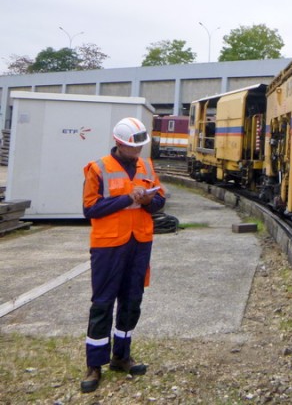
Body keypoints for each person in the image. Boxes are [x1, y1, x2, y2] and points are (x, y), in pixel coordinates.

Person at [79, 117, 166, 393]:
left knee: (132, 300)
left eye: (141, 145)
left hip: (139, 243)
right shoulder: (98, 169)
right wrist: (129, 198)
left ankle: (122, 356)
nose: (138, 150)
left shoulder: (146, 166)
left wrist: (150, 199)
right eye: (133, 146)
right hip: (108, 246)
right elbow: (90, 208)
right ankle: (95, 364)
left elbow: (160, 201)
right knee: (102, 302)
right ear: (119, 143)